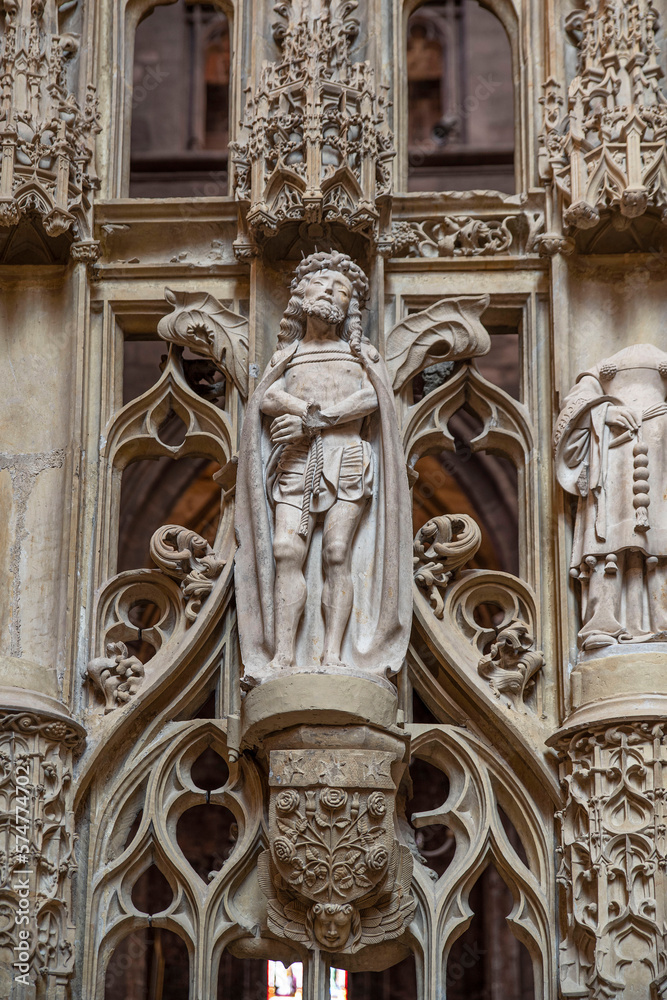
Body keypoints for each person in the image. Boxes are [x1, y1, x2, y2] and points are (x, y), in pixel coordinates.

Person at [235, 251, 412, 686]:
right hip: (297, 458)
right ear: (301, 294)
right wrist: (302, 410)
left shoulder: (359, 353)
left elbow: (374, 398)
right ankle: (282, 656)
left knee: (337, 553)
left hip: (347, 456)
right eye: (322, 284)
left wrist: (323, 419)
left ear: (350, 307)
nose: (331, 292)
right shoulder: (288, 355)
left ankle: (334, 652)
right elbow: (267, 398)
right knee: (284, 550)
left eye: (342, 290)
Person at [554, 343, 667, 650]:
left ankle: (659, 619)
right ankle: (604, 621)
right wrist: (605, 414)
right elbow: (576, 402)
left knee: (657, 538)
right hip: (614, 448)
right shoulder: (602, 366)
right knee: (611, 537)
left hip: (658, 445)